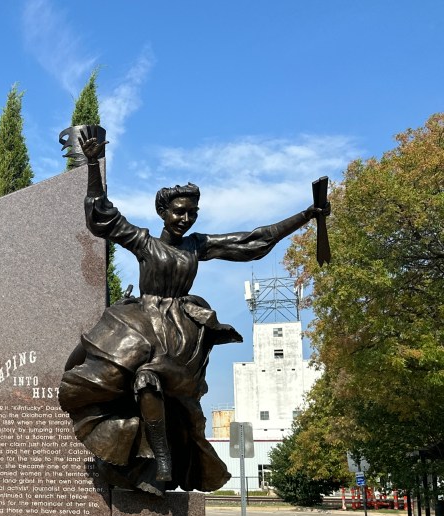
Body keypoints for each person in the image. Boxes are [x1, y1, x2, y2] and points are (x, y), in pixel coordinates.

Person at [59, 133, 329, 495]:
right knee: (107, 366)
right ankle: (154, 457)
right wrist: (93, 164)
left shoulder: (197, 245)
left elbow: (254, 241)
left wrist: (308, 215)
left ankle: (165, 460)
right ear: (162, 212)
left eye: (192, 213)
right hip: (144, 319)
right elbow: (101, 217)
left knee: (152, 381)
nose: (185, 218)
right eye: (179, 211)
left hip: (182, 332)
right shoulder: (144, 242)